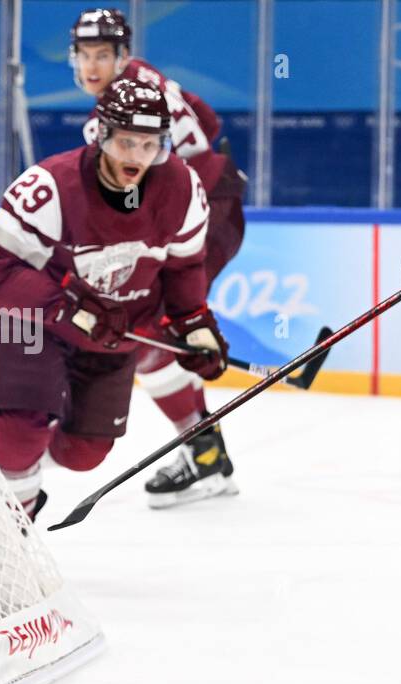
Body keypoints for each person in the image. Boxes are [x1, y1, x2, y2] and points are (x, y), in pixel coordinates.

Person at [0, 78, 226, 520]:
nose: (138, 157)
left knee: (84, 452)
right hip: (36, 321)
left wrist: (196, 326)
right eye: (128, 142)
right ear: (103, 135)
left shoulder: (183, 190)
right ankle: (7, 521)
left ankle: (9, 462)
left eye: (150, 145)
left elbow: (184, 269)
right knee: (22, 434)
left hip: (114, 331)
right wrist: (68, 308)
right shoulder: (51, 185)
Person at [69, 6, 245, 506]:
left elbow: (117, 192)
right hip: (215, 201)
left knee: (148, 334)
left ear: (121, 55)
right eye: (84, 55)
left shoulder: (114, 109)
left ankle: (206, 458)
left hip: (199, 214)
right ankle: (207, 456)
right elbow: (208, 123)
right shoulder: (151, 80)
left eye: (103, 55)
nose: (92, 67)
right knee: (156, 335)